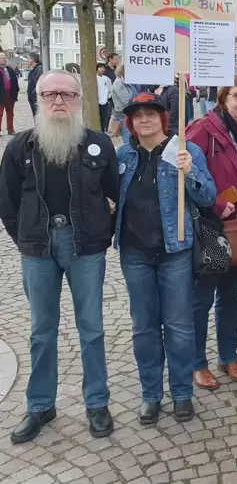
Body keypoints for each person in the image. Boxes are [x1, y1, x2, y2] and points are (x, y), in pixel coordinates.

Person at [0, 70, 120, 443]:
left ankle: (97, 402)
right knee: (41, 331)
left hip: (85, 248)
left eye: (67, 95)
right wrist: (25, 240)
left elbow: (114, 195)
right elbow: (7, 202)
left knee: (92, 329)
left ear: (79, 101)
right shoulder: (20, 146)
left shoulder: (98, 143)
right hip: (38, 248)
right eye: (50, 94)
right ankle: (40, 405)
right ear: (37, 99)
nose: (58, 101)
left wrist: (101, 235)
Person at [115, 93, 216, 425]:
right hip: (135, 253)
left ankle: (182, 393)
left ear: (163, 118)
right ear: (129, 121)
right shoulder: (123, 155)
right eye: (137, 115)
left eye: (151, 114)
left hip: (175, 251)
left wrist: (192, 173)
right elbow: (106, 197)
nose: (144, 119)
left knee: (179, 327)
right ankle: (150, 395)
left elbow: (208, 197)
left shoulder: (184, 150)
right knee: (144, 327)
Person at [187, 73, 237, 390]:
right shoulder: (205, 129)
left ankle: (228, 355)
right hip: (213, 227)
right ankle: (197, 362)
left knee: (232, 296)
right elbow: (182, 169)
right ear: (223, 99)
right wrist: (214, 201)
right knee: (203, 299)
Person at [111, 64, 140, 145]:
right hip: (123, 115)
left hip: (131, 113)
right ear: (123, 71)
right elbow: (126, 100)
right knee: (128, 140)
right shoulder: (119, 83)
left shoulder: (129, 83)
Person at [0, 52, 19, 135]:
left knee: (10, 112)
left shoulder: (9, 69)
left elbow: (15, 81)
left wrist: (16, 92)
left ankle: (10, 129)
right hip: (1, 95)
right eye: (2, 58)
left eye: (5, 58)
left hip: (10, 95)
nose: (5, 60)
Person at [96, 63, 112, 132]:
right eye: (100, 68)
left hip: (104, 101)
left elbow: (110, 89)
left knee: (104, 117)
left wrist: (108, 97)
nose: (102, 69)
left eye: (103, 68)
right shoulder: (94, 78)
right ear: (97, 69)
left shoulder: (106, 79)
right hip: (97, 101)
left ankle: (103, 129)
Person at [27, 52, 43, 116]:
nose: (27, 60)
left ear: (32, 59)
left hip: (36, 98)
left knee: (38, 115)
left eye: (28, 58)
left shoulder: (39, 69)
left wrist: (34, 93)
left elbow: (40, 84)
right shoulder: (34, 69)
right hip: (32, 98)